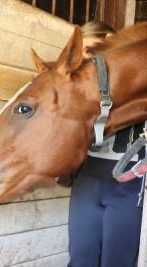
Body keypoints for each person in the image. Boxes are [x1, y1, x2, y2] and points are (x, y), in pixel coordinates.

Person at [67, 20, 144, 267]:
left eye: (92, 52)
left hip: (129, 183)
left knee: (118, 262)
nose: (88, 61)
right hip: (88, 179)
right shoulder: (80, 86)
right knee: (80, 259)